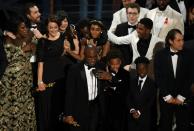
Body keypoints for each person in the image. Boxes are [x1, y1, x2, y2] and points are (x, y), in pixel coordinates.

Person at [0, 16, 36, 130]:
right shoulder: (8, 40)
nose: (25, 29)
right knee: (13, 108)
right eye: (22, 28)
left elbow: (35, 47)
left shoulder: (29, 37)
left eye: (26, 27)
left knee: (26, 109)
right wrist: (23, 50)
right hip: (11, 83)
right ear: (16, 29)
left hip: (25, 82)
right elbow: (7, 58)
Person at [154, 29, 193, 131]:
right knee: (165, 125)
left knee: (183, 126)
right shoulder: (159, 55)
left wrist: (181, 96)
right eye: (178, 40)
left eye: (182, 40)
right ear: (171, 41)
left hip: (183, 98)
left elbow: (190, 77)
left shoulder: (189, 54)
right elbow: (159, 78)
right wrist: (167, 96)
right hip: (166, 98)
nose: (182, 43)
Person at [36, 15, 69, 131]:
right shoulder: (42, 41)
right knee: (46, 106)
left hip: (60, 77)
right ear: (47, 28)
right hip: (47, 77)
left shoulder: (63, 37)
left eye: (55, 27)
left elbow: (63, 55)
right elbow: (40, 63)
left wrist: (66, 50)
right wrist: (40, 81)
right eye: (51, 28)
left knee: (59, 105)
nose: (53, 30)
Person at [63, 44, 105, 131]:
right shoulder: (74, 70)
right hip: (80, 107)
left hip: (95, 107)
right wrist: (69, 114)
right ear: (84, 56)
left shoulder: (101, 66)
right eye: (90, 57)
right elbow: (70, 93)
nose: (93, 60)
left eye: (94, 57)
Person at [102, 49, 130, 131]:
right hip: (107, 106)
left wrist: (112, 81)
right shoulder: (105, 72)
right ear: (109, 63)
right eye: (112, 64)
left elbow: (125, 89)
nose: (114, 66)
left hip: (120, 106)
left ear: (120, 62)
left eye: (117, 64)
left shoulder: (125, 74)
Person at [127, 56, 157, 131]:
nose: (141, 71)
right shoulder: (132, 82)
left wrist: (139, 112)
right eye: (139, 69)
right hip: (132, 117)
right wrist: (132, 110)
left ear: (147, 69)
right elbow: (128, 97)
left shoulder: (152, 84)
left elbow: (150, 102)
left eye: (143, 68)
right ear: (136, 69)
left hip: (145, 118)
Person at [109, 3, 140, 70]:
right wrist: (123, 65)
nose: (132, 16)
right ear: (126, 14)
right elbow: (116, 49)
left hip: (138, 66)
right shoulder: (120, 27)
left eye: (134, 13)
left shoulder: (142, 29)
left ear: (138, 14)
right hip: (122, 66)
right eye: (129, 13)